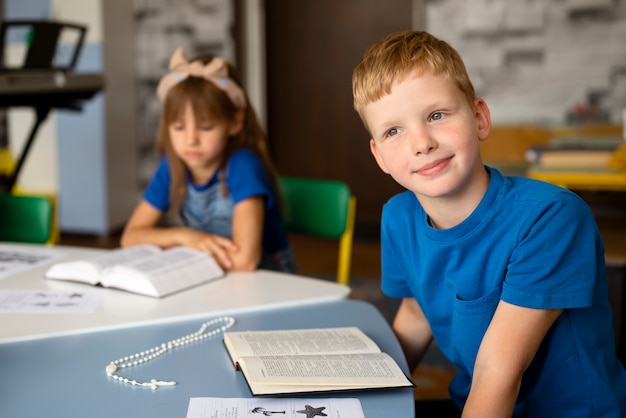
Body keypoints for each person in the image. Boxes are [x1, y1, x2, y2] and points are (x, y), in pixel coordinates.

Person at [352, 30, 626, 417]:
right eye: (393, 131)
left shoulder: (550, 218)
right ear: (379, 155)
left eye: (436, 115)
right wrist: (357, 399)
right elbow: (416, 315)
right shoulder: (398, 217)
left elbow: (498, 371)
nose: (421, 142)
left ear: (479, 118)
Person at [121, 47, 295, 273]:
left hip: (269, 278)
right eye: (179, 127)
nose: (191, 140)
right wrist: (184, 236)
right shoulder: (173, 164)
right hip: (219, 273)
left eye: (206, 127)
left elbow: (245, 261)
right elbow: (130, 237)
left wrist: (181, 245)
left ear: (235, 121)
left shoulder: (243, 165)